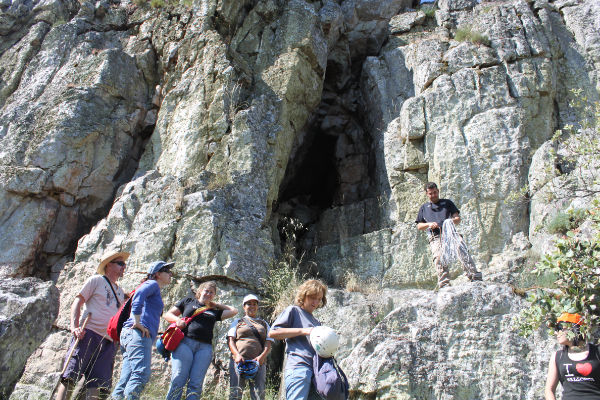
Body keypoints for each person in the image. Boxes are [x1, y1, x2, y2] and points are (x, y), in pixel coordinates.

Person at [56, 250, 129, 400]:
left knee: (96, 384)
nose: (124, 267)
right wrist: (74, 327)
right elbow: (78, 301)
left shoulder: (120, 292)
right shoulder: (96, 280)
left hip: (108, 341)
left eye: (124, 264)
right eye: (120, 263)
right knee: (70, 377)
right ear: (109, 265)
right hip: (88, 333)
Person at [163, 281, 238, 400]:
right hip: (185, 343)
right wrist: (177, 321)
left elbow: (234, 311)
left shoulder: (214, 311)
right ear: (200, 291)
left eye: (212, 293)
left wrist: (216, 304)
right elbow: (168, 315)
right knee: (178, 378)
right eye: (206, 291)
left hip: (204, 348)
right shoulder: (188, 301)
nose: (208, 294)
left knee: (196, 383)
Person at [112, 261, 174, 400]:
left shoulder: (153, 286)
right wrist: (137, 321)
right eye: (167, 271)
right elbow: (139, 295)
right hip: (137, 334)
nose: (171, 274)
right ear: (157, 274)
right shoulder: (152, 284)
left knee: (126, 378)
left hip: (130, 335)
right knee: (141, 373)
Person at [415, 182, 482, 288]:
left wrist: (450, 221)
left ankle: (475, 277)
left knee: (462, 249)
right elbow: (419, 226)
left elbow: (457, 219)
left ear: (438, 191)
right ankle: (444, 284)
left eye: (435, 192)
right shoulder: (424, 208)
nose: (433, 195)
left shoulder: (447, 203)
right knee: (438, 257)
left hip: (451, 234)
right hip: (436, 237)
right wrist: (429, 224)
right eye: (430, 193)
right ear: (427, 194)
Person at [269, 279, 328, 400]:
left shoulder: (317, 322)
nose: (316, 302)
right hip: (299, 368)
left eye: (319, 299)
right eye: (313, 297)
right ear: (304, 295)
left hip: (315, 373)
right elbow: (273, 332)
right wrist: (303, 331)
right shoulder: (294, 311)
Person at [227, 294, 274, 400]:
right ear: (244, 307)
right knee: (235, 393)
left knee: (259, 395)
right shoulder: (237, 322)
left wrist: (262, 357)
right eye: (249, 304)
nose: (252, 306)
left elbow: (268, 342)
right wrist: (237, 355)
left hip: (258, 362)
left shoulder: (264, 323)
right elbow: (231, 340)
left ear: (257, 307)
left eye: (254, 304)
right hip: (239, 361)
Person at [545, 313, 600, 399]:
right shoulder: (557, 357)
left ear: (573, 328)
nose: (556, 333)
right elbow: (549, 390)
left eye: (559, 328)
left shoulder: (597, 352)